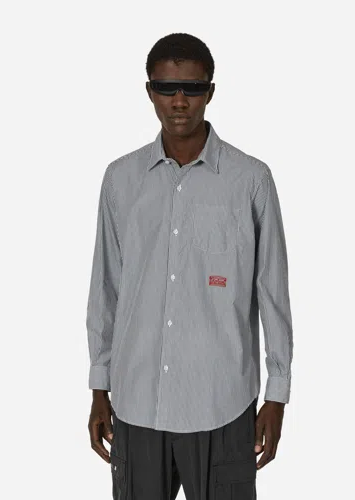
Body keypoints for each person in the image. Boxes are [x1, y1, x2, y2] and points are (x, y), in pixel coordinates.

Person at [86, 32, 294, 500]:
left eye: (193, 89)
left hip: (222, 403)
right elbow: (107, 287)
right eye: (166, 88)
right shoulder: (121, 179)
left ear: (210, 92)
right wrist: (99, 385)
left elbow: (273, 291)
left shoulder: (250, 180)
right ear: (150, 91)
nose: (179, 101)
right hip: (137, 402)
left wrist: (277, 394)